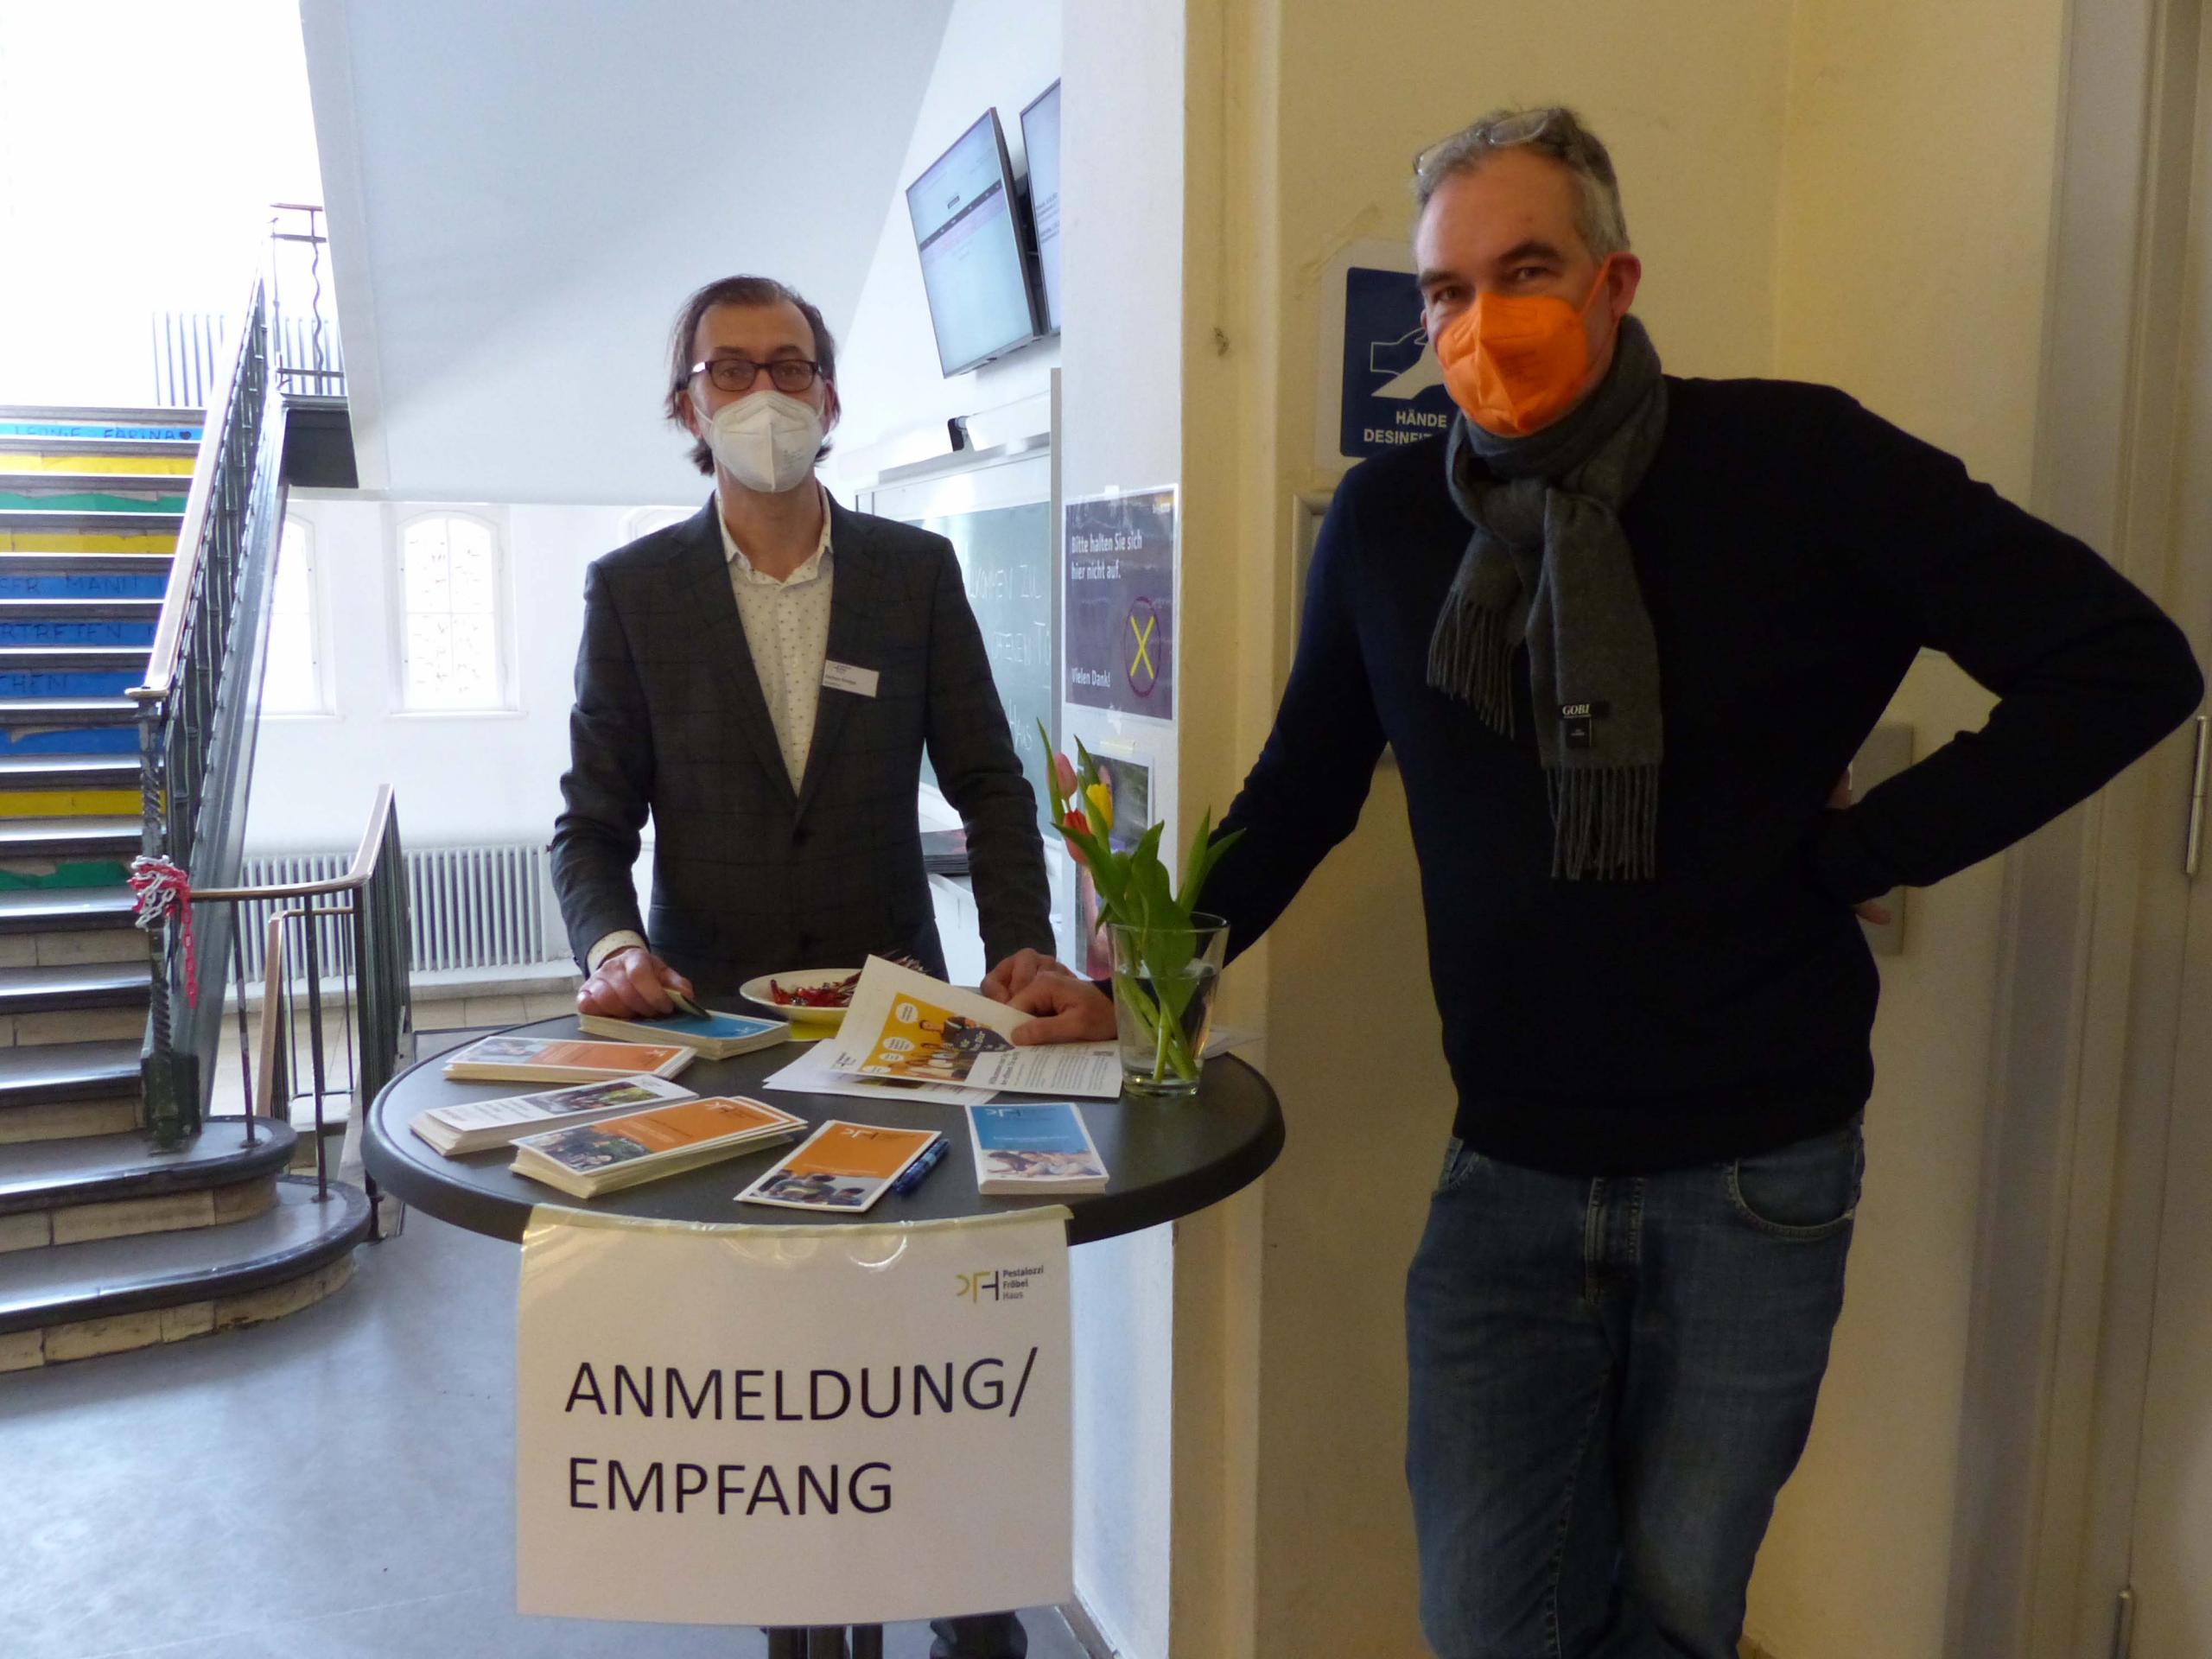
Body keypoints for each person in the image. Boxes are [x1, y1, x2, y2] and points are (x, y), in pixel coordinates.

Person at [985, 108, 2204, 1659]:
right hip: (1506, 1170)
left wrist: (1861, 850)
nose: (1479, 321)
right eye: (1445, 289)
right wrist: (1143, 982)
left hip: (1758, 1173)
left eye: (1527, 270)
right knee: (1489, 1617)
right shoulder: (1389, 524)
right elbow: (1303, 788)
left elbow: (2122, 664)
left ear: (1614, 282)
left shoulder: (1802, 463)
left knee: (1684, 1609)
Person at [550, 273, 1047, 1659]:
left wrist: (1018, 947)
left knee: (923, 1330)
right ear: (687, 406)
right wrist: (612, 943)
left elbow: (992, 786)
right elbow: (591, 825)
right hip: (720, 1037)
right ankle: (799, 1628)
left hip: (903, 1027)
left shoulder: (914, 574)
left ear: (830, 394)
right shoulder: (635, 592)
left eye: (790, 365)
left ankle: (974, 1610)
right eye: (730, 368)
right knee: (767, 1356)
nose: (763, 392)